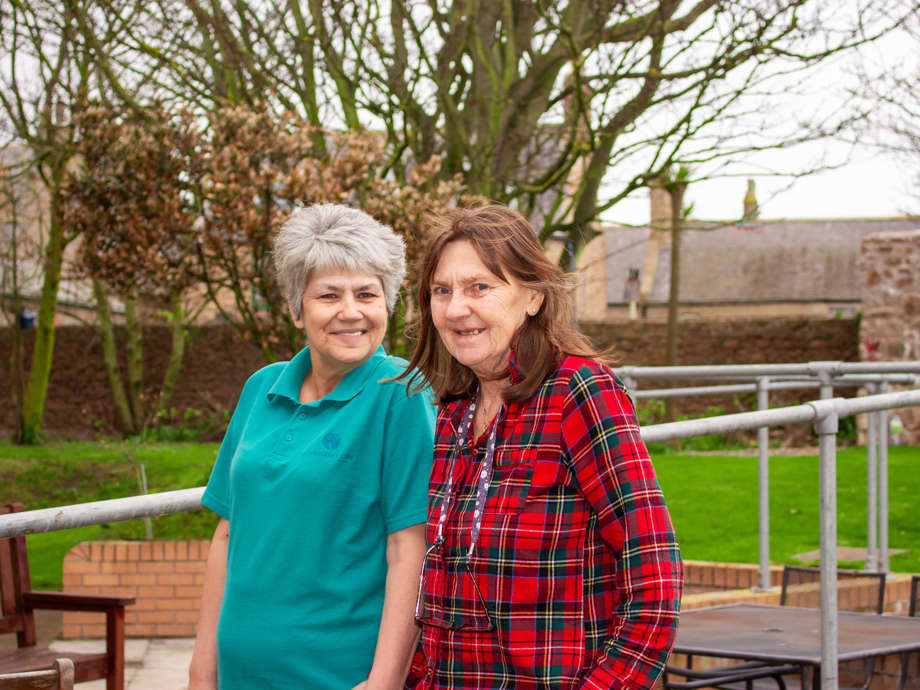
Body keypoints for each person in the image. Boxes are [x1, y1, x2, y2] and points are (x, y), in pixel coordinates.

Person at [402, 204, 683, 689]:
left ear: (532, 296)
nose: (455, 308)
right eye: (441, 291)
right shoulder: (451, 412)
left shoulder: (579, 391)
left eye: (480, 287)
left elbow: (655, 579)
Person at [189, 204, 435, 690]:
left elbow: (410, 548)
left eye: (367, 294)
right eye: (329, 295)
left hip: (337, 673)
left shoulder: (400, 392)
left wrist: (384, 680)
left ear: (387, 303)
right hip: (239, 670)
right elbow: (226, 533)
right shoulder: (262, 387)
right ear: (296, 307)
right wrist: (203, 665)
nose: (351, 311)